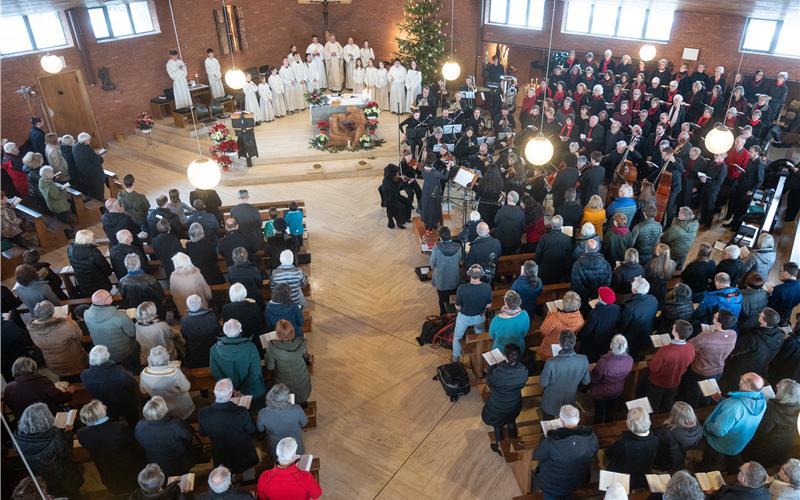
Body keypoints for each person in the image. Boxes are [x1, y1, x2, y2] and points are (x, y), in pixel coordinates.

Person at [13, 403, 84, 498]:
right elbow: (66, 452)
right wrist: (68, 432)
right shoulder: (54, 436)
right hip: (60, 478)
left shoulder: (18, 438)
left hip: (36, 478)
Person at [77, 400, 145, 496]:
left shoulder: (81, 434)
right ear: (101, 412)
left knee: (115, 488)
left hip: (106, 469)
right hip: (127, 467)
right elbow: (133, 444)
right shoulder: (119, 428)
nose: (105, 407)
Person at [532, 404, 599, 499]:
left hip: (551, 484)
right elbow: (594, 453)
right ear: (578, 419)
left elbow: (537, 455)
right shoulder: (591, 438)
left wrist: (542, 440)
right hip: (576, 481)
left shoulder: (551, 441)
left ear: (561, 421)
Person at [704, 372, 767, 472]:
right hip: (736, 443)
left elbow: (718, 431)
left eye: (742, 379)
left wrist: (707, 426)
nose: (740, 379)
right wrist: (721, 400)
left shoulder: (735, 406)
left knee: (709, 464)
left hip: (719, 445)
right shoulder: (761, 400)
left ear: (746, 386)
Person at [679, 309, 739, 407]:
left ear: (719, 324)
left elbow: (688, 346)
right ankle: (704, 407)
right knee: (708, 392)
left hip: (700, 370)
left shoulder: (704, 337)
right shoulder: (733, 334)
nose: (713, 316)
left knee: (693, 392)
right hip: (718, 370)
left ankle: (691, 407)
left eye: (715, 317)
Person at [198, 379, 259, 475]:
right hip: (243, 453)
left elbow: (202, 433)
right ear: (231, 394)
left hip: (221, 454)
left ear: (214, 393)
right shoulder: (241, 412)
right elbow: (251, 430)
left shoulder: (203, 413)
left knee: (226, 477)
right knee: (248, 475)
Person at [481, 343, 529, 455]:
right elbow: (522, 384)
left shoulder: (499, 371)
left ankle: (499, 446)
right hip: (515, 402)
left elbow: (489, 381)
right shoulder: (523, 370)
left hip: (499, 403)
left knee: (498, 423)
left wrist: (492, 366)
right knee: (511, 420)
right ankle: (515, 443)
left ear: (506, 356)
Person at [741, 378, 800, 468]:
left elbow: (761, 430)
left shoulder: (773, 411)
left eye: (780, 388)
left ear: (785, 396)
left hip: (763, 451)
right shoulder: (797, 410)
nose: (776, 386)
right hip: (783, 450)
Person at [721, 308, 783, 391]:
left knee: (735, 382)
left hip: (744, 365)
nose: (759, 314)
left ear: (764, 322)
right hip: (760, 365)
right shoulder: (780, 335)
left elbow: (737, 348)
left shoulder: (754, 338)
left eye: (761, 316)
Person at [211, 319, 267, 409]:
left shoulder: (214, 350)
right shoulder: (251, 347)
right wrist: (241, 390)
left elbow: (216, 373)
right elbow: (255, 372)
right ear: (240, 330)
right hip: (252, 391)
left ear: (224, 331)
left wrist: (231, 390)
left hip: (228, 393)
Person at [81, 345, 140, 427]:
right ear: (107, 358)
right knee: (133, 414)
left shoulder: (85, 375)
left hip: (103, 406)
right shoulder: (119, 371)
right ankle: (135, 427)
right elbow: (132, 383)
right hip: (125, 404)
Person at [135, 396, 195, 477]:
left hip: (154, 461)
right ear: (164, 410)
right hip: (178, 461)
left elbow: (140, 441)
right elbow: (189, 435)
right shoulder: (176, 424)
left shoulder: (140, 426)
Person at [27, 300, 87, 379]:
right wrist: (71, 322)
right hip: (74, 361)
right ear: (52, 312)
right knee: (79, 377)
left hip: (53, 364)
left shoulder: (32, 330)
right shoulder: (65, 325)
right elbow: (79, 335)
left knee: (65, 379)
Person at [647, 320, 696, 413]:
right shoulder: (690, 348)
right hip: (675, 381)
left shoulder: (665, 350)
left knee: (654, 402)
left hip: (658, 381)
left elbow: (653, 368)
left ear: (675, 332)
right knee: (668, 402)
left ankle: (653, 417)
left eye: (674, 327)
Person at [605, 407, 660, 490]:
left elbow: (609, 455)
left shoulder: (624, 443)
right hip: (642, 474)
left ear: (630, 424)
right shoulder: (655, 440)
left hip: (622, 477)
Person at [540, 331, 590, 420]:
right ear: (574, 343)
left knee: (548, 423)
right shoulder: (583, 359)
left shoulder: (551, 363)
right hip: (570, 399)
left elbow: (543, 383)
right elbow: (586, 381)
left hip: (551, 400)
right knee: (566, 424)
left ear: (559, 343)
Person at [84, 289, 138, 367]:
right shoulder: (120, 316)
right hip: (123, 352)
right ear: (107, 301)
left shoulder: (86, 314)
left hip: (102, 352)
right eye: (110, 295)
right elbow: (132, 332)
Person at [4, 357, 72, 419]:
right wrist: (69, 393)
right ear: (34, 368)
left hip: (24, 424)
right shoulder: (42, 382)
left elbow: (11, 406)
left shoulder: (9, 388)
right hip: (50, 419)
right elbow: (59, 398)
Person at [257, 437, 322, 500]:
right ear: (294, 457)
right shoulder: (305, 476)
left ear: (277, 453)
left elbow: (262, 497)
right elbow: (316, 494)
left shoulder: (264, 476)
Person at [140, 345, 193, 419]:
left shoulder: (144, 373)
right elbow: (186, 387)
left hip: (159, 407)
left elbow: (143, 391)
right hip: (179, 406)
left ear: (150, 359)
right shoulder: (174, 373)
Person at [452, 265, 493, 362]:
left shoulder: (462, 288)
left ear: (469, 274)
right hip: (479, 317)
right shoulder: (487, 287)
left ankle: (456, 356)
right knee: (480, 334)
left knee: (457, 337)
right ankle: (481, 349)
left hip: (464, 317)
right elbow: (489, 305)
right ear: (481, 275)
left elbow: (458, 307)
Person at [257, 383, 308, 459]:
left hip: (276, 450)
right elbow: (304, 423)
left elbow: (260, 429)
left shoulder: (263, 413)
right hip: (296, 449)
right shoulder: (296, 409)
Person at [590, 334, 634, 423]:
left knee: (599, 411)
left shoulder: (604, 362)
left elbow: (595, 378)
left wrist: (592, 370)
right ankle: (609, 423)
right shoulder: (630, 360)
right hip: (617, 389)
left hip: (601, 391)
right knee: (611, 410)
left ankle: (598, 426)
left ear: (611, 345)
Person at [617, 276, 659, 359]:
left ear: (634, 290)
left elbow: (624, 325)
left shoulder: (630, 307)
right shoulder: (653, 299)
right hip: (647, 331)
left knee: (632, 352)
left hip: (632, 336)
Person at [67, 229, 112, 297]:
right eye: (92, 237)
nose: (94, 239)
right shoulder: (94, 253)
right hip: (99, 285)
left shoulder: (70, 249)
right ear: (88, 240)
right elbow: (107, 270)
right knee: (105, 299)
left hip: (83, 284)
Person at [429, 226, 463, 315]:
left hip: (441, 279)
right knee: (454, 298)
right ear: (450, 235)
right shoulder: (458, 246)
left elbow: (432, 264)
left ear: (440, 237)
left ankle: (443, 315)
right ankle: (454, 315)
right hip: (454, 277)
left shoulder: (436, 248)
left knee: (442, 300)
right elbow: (460, 260)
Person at [135, 301, 181, 365]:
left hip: (147, 357)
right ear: (152, 313)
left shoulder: (136, 325)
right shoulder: (162, 326)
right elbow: (173, 335)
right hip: (166, 356)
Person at [169, 252, 212, 317]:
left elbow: (173, 293)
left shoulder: (173, 277)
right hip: (201, 310)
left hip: (184, 311)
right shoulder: (196, 274)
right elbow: (208, 294)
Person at [571, 238, 612, 305]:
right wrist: (596, 294)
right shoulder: (606, 264)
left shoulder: (577, 264)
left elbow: (577, 284)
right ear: (597, 249)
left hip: (583, 299)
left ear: (585, 249)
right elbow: (607, 283)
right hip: (599, 299)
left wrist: (588, 296)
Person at [71, 132, 105, 200]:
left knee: (92, 191)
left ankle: (96, 201)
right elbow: (97, 161)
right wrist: (100, 157)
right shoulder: (85, 149)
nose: (89, 142)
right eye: (88, 140)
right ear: (85, 141)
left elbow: (88, 158)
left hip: (84, 174)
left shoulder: (75, 146)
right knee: (98, 192)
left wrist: (94, 155)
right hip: (94, 175)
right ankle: (101, 204)